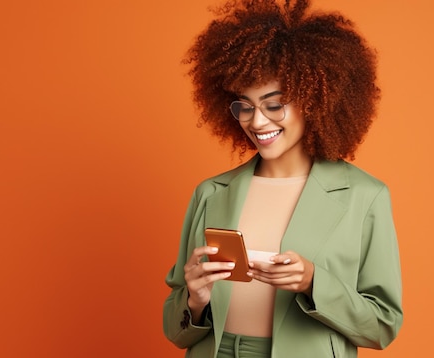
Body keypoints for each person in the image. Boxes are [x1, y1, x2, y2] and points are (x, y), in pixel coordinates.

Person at [162, 0, 403, 356]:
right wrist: (195, 299)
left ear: (314, 99)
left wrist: (312, 282)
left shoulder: (364, 196)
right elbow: (173, 328)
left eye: (274, 104)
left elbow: (382, 326)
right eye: (244, 105)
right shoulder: (210, 193)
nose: (256, 122)